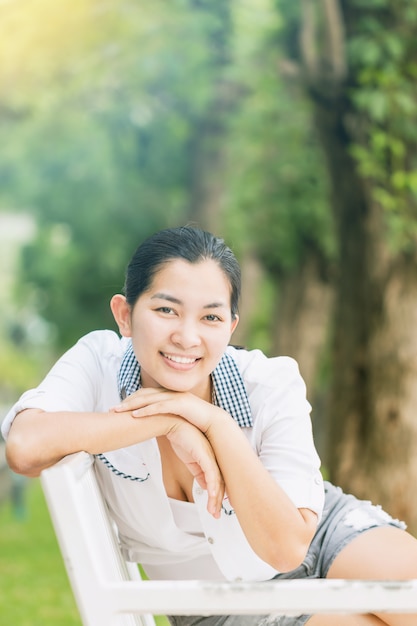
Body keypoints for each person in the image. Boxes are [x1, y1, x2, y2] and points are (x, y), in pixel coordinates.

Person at [3, 226, 417, 626]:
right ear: (125, 315)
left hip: (322, 534)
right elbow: (24, 446)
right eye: (166, 310)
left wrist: (215, 425)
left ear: (231, 326)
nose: (187, 337)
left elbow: (289, 547)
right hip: (217, 603)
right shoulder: (98, 364)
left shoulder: (269, 382)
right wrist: (168, 421)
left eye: (211, 318)